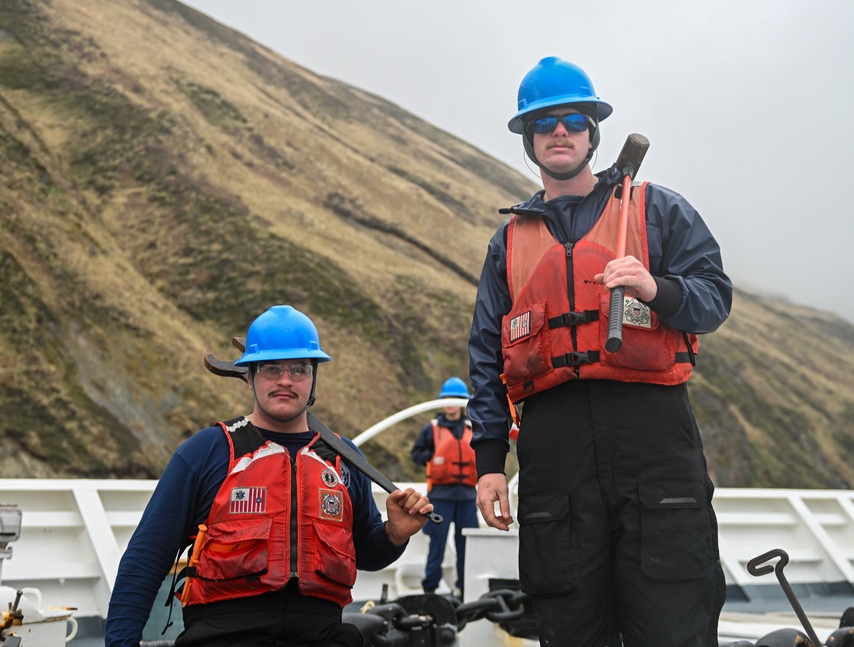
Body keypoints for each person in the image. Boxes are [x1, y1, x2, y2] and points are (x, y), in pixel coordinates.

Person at [467, 56, 733, 647]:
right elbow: (486, 357)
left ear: (593, 132)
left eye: (572, 120)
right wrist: (488, 463)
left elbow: (714, 300)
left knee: (674, 624)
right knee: (569, 629)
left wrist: (654, 288)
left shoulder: (657, 211)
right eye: (543, 124)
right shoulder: (506, 244)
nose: (558, 132)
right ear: (528, 141)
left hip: (654, 446)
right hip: (554, 458)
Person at [106, 305, 434, 647]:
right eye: (271, 368)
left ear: (313, 377)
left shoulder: (345, 458)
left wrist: (394, 534)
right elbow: (145, 560)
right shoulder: (207, 452)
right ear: (248, 375)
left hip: (322, 635)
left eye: (299, 369)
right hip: (225, 636)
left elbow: (367, 553)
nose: (285, 380)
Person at [409, 376, 478, 598]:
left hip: (467, 496)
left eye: (456, 398)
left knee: (465, 545)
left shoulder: (473, 428)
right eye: (447, 398)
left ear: (463, 401)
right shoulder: (431, 429)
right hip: (440, 496)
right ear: (441, 401)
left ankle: (464, 588)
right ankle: (430, 588)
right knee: (437, 544)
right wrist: (431, 456)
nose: (451, 402)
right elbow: (416, 455)